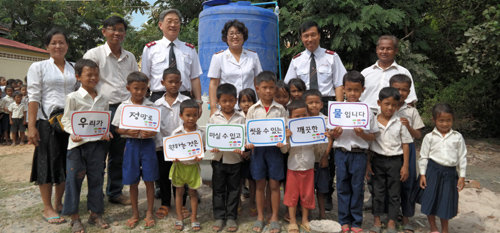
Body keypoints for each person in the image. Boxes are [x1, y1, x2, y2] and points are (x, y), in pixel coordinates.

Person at [83, 15, 138, 205]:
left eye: (121, 29)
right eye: (113, 29)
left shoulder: (130, 57)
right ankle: (96, 197)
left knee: (118, 156)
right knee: (97, 156)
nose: (117, 33)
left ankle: (115, 192)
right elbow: (86, 82)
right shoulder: (93, 54)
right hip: (101, 110)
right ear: (104, 31)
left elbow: (133, 84)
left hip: (124, 111)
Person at [27, 28, 77, 224]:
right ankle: (47, 207)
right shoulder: (38, 67)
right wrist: (32, 126)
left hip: (68, 123)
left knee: (65, 163)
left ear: (67, 45)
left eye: (61, 42)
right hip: (46, 122)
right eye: (53, 43)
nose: (58, 46)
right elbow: (33, 97)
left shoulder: (74, 67)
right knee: (46, 164)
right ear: (47, 46)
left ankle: (59, 202)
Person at [60, 59, 111, 233]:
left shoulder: (103, 98)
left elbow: (104, 121)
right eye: (89, 74)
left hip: (97, 145)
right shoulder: (72, 97)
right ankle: (74, 218)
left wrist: (106, 132)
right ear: (78, 77)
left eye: (96, 74)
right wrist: (71, 132)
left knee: (96, 179)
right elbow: (66, 119)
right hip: (77, 146)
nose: (93, 77)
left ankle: (95, 213)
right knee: (73, 181)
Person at [329, 71, 378, 233]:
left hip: (359, 154)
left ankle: (356, 222)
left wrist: (362, 134)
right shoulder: (337, 109)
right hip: (341, 153)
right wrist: (334, 133)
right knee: (342, 186)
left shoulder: (367, 111)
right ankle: (344, 220)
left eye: (356, 90)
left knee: (357, 188)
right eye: (349, 89)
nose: (352, 93)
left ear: (362, 90)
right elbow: (330, 134)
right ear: (343, 89)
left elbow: (373, 136)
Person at [112, 72, 158, 229]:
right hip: (131, 145)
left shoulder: (151, 106)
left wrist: (151, 133)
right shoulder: (123, 107)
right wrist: (125, 132)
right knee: (132, 180)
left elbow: (156, 129)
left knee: (149, 179)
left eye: (143, 89)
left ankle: (149, 212)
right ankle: (135, 213)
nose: (139, 92)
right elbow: (117, 128)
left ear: (147, 89)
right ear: (128, 88)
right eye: (136, 88)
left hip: (148, 145)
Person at [245, 71, 287, 233]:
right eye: (264, 87)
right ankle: (261, 216)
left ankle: (274, 216)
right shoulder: (253, 110)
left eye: (271, 87)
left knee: (275, 184)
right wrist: (248, 144)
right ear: (257, 88)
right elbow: (248, 132)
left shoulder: (280, 109)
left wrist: (283, 139)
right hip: (258, 152)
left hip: (275, 151)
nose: (268, 91)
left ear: (275, 88)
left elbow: (284, 130)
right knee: (259, 184)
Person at [368, 87, 412, 233]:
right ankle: (377, 221)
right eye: (386, 104)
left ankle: (391, 222)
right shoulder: (372, 121)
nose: (390, 108)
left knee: (394, 193)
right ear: (379, 103)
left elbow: (406, 144)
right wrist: (368, 163)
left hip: (395, 161)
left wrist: (405, 165)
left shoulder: (400, 122)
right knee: (377, 192)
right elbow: (368, 144)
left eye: (394, 105)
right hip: (377, 160)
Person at [419, 103, 466, 233]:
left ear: (453, 120)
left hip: (450, 173)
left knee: (446, 201)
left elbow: (462, 157)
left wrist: (462, 176)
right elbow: (423, 157)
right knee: (430, 199)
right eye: (441, 121)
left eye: (448, 120)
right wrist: (423, 174)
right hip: (432, 171)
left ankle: (445, 229)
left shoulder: (457, 137)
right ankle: (433, 227)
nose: (445, 124)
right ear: (434, 120)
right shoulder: (429, 137)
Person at [142, 8, 203, 107]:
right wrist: (142, 102)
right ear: (160, 25)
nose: (173, 25)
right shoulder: (150, 49)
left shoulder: (190, 49)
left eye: (176, 22)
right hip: (158, 99)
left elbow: (195, 78)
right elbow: (144, 78)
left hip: (185, 98)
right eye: (169, 21)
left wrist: (198, 102)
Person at [284, 21, 347, 114]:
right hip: (304, 105)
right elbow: (288, 86)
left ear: (319, 35)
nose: (310, 39)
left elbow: (339, 85)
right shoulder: (296, 61)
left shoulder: (332, 57)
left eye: (313, 35)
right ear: (301, 38)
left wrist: (338, 109)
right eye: (306, 36)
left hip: (327, 104)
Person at [154, 67, 191, 220]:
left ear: (181, 83)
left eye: (177, 82)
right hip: (162, 147)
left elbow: (190, 123)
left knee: (180, 177)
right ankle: (165, 203)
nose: (174, 85)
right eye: (170, 82)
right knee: (163, 176)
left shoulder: (186, 102)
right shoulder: (156, 104)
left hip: (181, 147)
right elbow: (154, 126)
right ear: (163, 83)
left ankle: (181, 204)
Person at [390, 74, 425, 233]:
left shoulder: (411, 111)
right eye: (397, 89)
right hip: (390, 148)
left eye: (404, 90)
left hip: (408, 149)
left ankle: (406, 218)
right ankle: (390, 216)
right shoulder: (386, 107)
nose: (401, 92)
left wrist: (409, 127)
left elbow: (418, 135)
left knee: (408, 182)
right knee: (389, 183)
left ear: (409, 91)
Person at [209, 83, 246, 232]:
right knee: (218, 189)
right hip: (218, 159)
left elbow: (244, 137)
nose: (228, 104)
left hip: (235, 160)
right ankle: (219, 216)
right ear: (218, 101)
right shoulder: (214, 117)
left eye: (231, 100)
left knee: (234, 189)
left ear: (236, 100)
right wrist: (213, 146)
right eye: (224, 101)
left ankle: (231, 217)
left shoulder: (241, 117)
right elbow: (210, 137)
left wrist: (241, 147)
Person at [208, 19, 263, 115]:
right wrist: (213, 107)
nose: (235, 36)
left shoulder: (253, 56)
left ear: (243, 36)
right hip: (227, 107)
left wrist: (262, 104)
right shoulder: (218, 57)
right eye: (231, 33)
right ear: (226, 37)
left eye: (238, 33)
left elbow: (258, 83)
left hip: (250, 107)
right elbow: (213, 84)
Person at [283, 99, 321, 233]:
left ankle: (305, 219)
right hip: (293, 167)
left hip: (308, 166)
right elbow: (284, 150)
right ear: (290, 118)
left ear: (308, 115)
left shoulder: (312, 127)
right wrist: (285, 138)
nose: (300, 118)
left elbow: (318, 148)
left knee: (307, 194)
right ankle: (292, 220)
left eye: (304, 115)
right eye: (297, 116)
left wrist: (324, 136)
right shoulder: (287, 129)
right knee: (291, 195)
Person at [360, 35, 417, 112]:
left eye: (389, 49)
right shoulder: (366, 73)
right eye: (381, 48)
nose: (384, 52)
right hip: (366, 116)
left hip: (394, 116)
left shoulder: (403, 73)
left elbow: (409, 101)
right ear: (377, 50)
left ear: (396, 51)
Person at [171, 99, 204, 232]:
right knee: (179, 192)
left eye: (194, 115)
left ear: (198, 115)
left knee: (193, 193)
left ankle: (194, 218)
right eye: (188, 115)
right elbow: (171, 151)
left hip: (193, 167)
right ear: (181, 116)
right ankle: (179, 217)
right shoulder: (176, 133)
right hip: (179, 167)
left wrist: (200, 156)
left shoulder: (201, 133)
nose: (191, 118)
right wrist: (174, 158)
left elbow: (204, 149)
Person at [302, 89, 329, 219]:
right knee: (308, 190)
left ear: (322, 104)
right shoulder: (301, 121)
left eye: (317, 102)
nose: (314, 105)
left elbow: (330, 140)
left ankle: (322, 213)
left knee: (322, 189)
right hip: (307, 161)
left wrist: (325, 157)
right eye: (310, 102)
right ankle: (308, 214)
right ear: (305, 104)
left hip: (321, 159)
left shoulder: (326, 120)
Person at [237, 88, 257, 217]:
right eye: (243, 101)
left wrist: (250, 151)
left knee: (252, 179)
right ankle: (238, 202)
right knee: (238, 179)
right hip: (237, 152)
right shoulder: (236, 116)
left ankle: (252, 202)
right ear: (238, 103)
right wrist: (240, 151)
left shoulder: (257, 116)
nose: (246, 104)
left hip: (253, 152)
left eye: (249, 101)